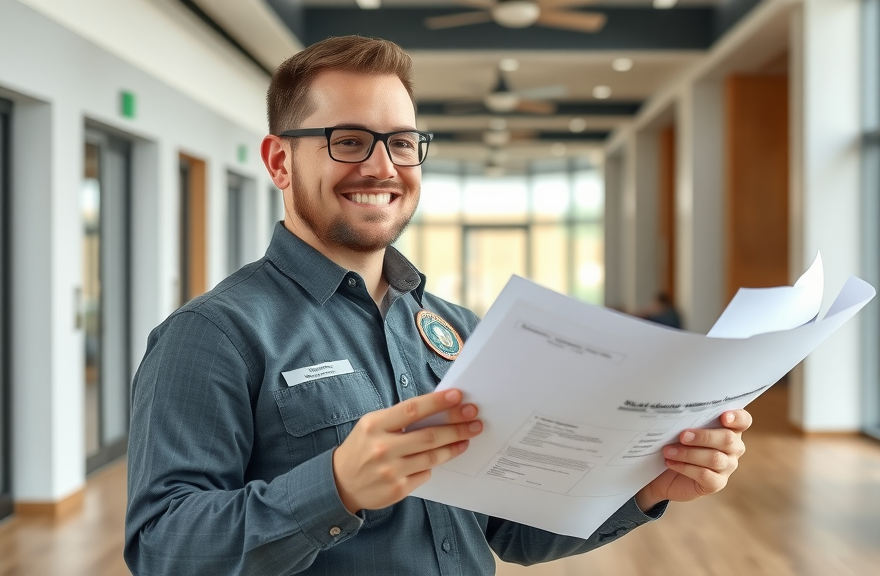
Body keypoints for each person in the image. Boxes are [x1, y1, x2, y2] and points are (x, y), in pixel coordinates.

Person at [123, 36, 752, 575]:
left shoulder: (456, 327)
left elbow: (509, 530)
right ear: (279, 160)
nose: (381, 167)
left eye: (401, 142)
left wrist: (645, 489)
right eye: (347, 141)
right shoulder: (211, 336)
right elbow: (160, 548)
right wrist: (334, 487)